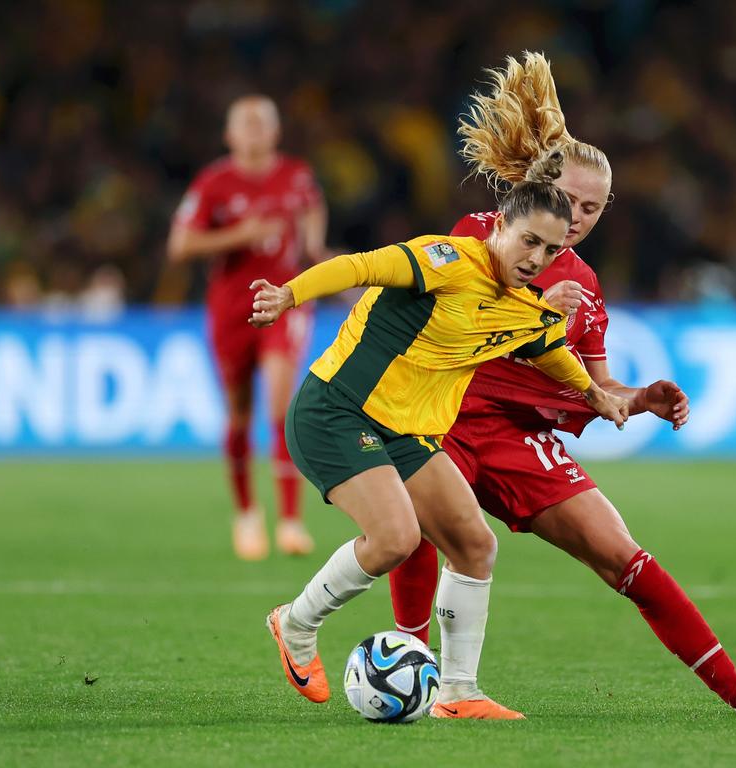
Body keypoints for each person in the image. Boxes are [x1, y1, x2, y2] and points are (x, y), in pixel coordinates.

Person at [388, 52, 736, 719]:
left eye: (593, 207)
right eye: (568, 202)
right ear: (541, 188)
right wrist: (530, 310)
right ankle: (409, 675)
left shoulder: (584, 283)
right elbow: (443, 325)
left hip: (516, 439)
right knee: (412, 529)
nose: (578, 217)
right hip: (444, 414)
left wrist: (636, 399)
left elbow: (594, 381)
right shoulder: (476, 239)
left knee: (622, 555)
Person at [249, 160, 631, 710]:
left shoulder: (525, 306)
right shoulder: (447, 260)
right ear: (500, 224)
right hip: (338, 412)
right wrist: (290, 295)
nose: (535, 260)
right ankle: (296, 624)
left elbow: (550, 351)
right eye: (528, 241)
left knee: (475, 545)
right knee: (396, 539)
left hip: (406, 433)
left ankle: (458, 692)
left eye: (549, 251)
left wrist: (597, 396)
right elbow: (359, 267)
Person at [168, 95, 327, 560]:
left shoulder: (296, 174)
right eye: (246, 123)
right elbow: (180, 245)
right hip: (231, 310)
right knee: (239, 414)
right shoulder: (214, 183)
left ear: (276, 132)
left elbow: (312, 207)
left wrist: (313, 245)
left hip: (282, 301)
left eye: (263, 123)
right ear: (230, 135)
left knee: (281, 405)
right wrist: (241, 234)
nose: (255, 130)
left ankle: (292, 522)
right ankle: (247, 513)